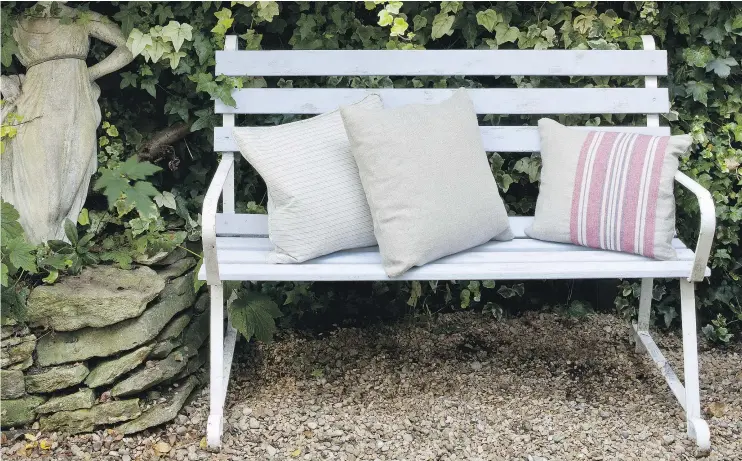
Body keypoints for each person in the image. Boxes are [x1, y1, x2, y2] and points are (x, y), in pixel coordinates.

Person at [0, 2, 133, 243]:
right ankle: (36, 250)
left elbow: (128, 47)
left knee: (67, 193)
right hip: (35, 105)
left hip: (78, 104)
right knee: (45, 197)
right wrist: (2, 80)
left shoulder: (83, 17)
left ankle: (55, 251)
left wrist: (87, 75)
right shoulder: (14, 23)